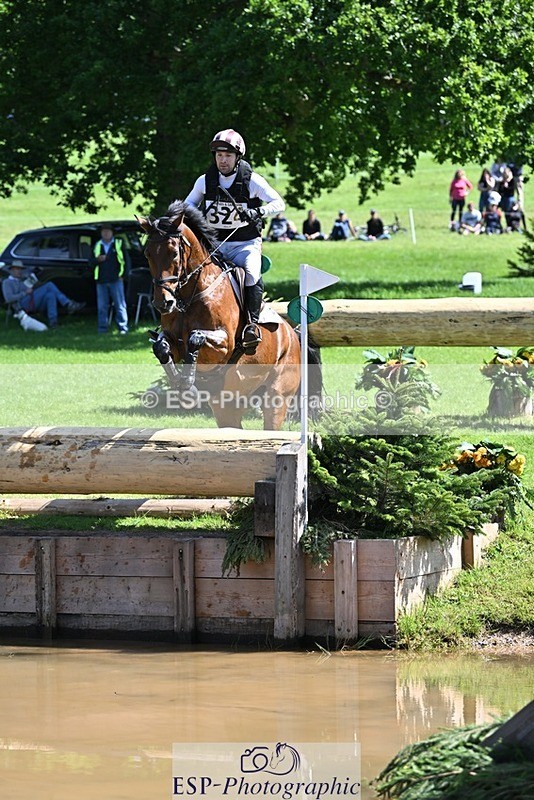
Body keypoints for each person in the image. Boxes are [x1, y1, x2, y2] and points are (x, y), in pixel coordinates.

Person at [185, 129, 285, 354]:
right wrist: (196, 217)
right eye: (219, 155)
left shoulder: (252, 181)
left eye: (228, 155)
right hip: (215, 245)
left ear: (237, 157)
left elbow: (278, 203)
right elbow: (188, 205)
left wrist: (258, 212)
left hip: (245, 244)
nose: (222, 160)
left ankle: (251, 323)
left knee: (251, 273)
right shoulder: (205, 181)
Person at [1, 260, 85, 328]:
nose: (19, 271)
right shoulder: (7, 282)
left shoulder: (22, 280)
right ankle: (68, 303)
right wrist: (24, 293)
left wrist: (34, 282)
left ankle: (53, 322)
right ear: (12, 270)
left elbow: (31, 289)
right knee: (49, 285)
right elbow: (9, 298)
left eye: (20, 269)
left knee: (50, 295)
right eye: (17, 269)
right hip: (21, 305)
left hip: (31, 300)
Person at [91, 224, 130, 334]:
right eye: (104, 231)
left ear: (112, 233)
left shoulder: (118, 243)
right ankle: (102, 329)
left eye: (108, 231)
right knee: (102, 307)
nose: (106, 233)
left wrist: (124, 276)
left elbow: (126, 261)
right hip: (101, 281)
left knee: (120, 305)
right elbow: (90, 263)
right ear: (101, 233)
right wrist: (97, 259)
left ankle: (123, 328)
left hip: (116, 280)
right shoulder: (97, 245)